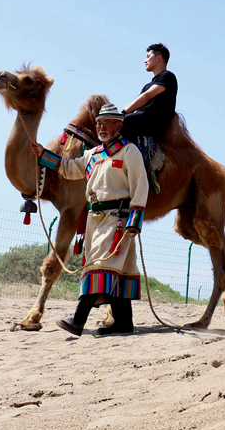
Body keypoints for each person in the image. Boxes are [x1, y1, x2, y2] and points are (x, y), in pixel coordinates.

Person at [32, 103, 149, 336]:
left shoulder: (129, 152)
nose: (101, 127)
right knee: (118, 271)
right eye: (99, 123)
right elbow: (68, 168)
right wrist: (43, 155)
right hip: (95, 221)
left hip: (118, 220)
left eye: (107, 123)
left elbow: (140, 186)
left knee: (99, 266)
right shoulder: (93, 155)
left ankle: (78, 320)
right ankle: (124, 323)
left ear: (119, 126)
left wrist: (135, 220)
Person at [121, 43, 177, 141]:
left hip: (155, 121)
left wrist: (123, 114)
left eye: (148, 56)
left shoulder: (167, 76)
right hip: (143, 118)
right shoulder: (148, 85)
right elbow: (136, 102)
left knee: (124, 121)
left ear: (159, 58)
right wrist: (118, 114)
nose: (145, 60)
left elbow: (145, 97)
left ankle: (132, 150)